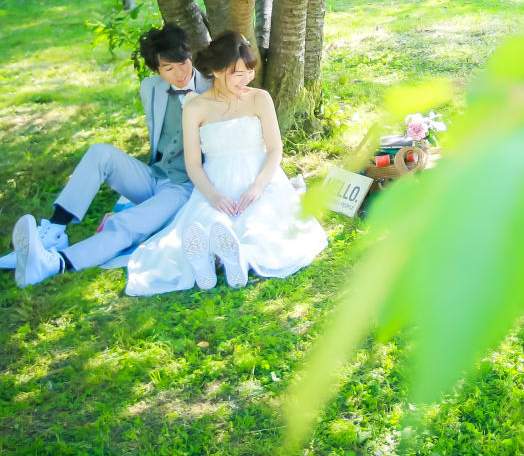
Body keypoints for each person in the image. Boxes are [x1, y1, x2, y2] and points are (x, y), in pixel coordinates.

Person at [124, 31, 326, 295]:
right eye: (238, 74)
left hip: (260, 176)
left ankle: (238, 259)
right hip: (216, 182)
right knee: (209, 220)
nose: (247, 79)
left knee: (261, 226)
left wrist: (257, 186)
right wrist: (214, 196)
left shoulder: (259, 98)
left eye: (249, 72)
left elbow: (275, 149)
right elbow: (193, 164)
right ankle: (208, 259)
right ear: (217, 72)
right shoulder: (195, 107)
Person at [9, 24, 212, 287]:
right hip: (154, 175)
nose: (180, 73)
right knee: (100, 153)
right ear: (156, 71)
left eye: (183, 62)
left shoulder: (212, 87)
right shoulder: (150, 88)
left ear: (189, 55)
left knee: (127, 224)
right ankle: (55, 231)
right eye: (169, 68)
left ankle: (56, 263)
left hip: (185, 187)